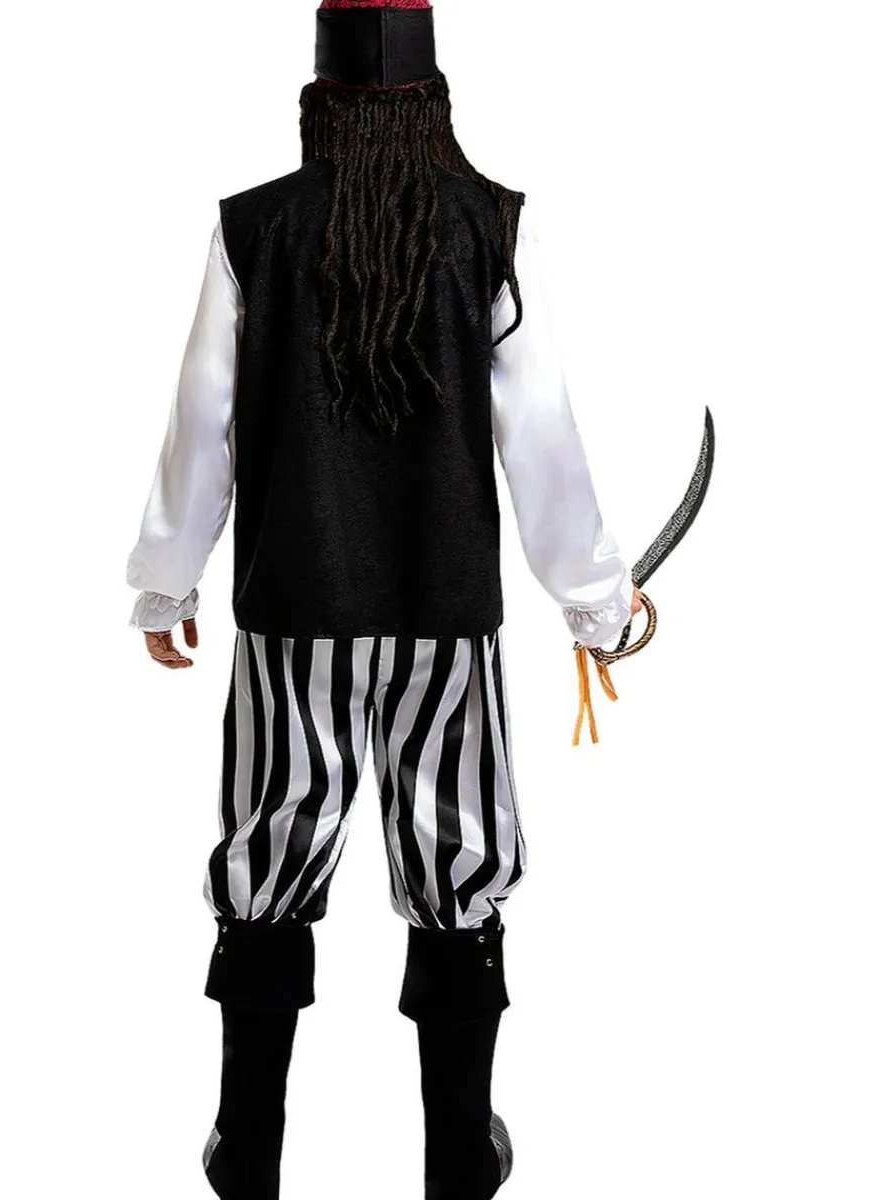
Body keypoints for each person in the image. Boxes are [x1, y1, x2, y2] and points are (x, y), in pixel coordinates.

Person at [126, 3, 639, 1196]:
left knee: (267, 857)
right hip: (440, 616)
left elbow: (202, 426)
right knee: (460, 867)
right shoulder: (488, 225)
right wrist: (598, 604)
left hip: (292, 611)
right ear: (433, 101)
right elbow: (542, 440)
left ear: (318, 104)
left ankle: (247, 1144)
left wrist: (165, 582)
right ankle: (458, 1150)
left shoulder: (255, 228)